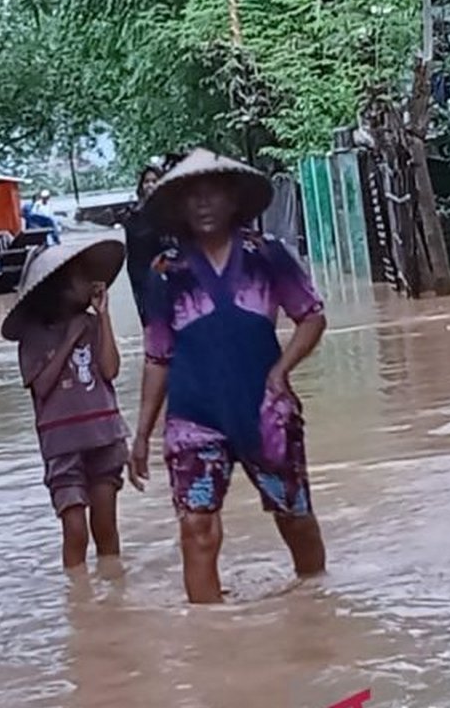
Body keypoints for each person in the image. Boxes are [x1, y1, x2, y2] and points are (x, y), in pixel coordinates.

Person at [130, 148, 328, 603]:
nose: (202, 205)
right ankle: (209, 634)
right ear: (177, 207)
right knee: (197, 530)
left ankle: (318, 607)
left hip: (263, 410)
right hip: (193, 417)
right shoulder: (165, 273)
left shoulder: (266, 255)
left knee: (295, 518)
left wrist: (281, 372)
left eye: (212, 194)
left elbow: (311, 316)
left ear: (233, 199)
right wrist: (141, 434)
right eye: (192, 197)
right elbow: (157, 356)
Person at [2, 240, 138, 569]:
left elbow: (110, 370)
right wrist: (68, 341)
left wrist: (103, 316)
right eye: (79, 278)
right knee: (74, 530)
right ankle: (78, 599)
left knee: (105, 527)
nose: (89, 283)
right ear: (58, 287)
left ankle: (110, 597)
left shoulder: (93, 324)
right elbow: (42, 386)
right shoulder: (34, 337)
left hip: (104, 437)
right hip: (62, 447)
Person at [123, 165, 164, 323]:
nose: (150, 185)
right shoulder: (133, 215)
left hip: (165, 273)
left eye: (154, 181)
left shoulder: (171, 211)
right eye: (146, 181)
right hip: (140, 274)